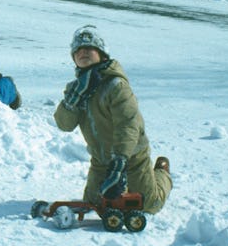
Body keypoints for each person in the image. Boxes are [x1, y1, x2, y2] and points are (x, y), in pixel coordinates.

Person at [54, 25, 172, 214]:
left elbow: (128, 125)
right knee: (95, 205)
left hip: (131, 158)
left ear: (101, 53)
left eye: (89, 48)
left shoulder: (116, 85)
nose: (83, 52)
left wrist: (119, 163)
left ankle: (162, 172)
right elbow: (64, 124)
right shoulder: (76, 90)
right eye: (78, 50)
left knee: (149, 205)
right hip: (102, 161)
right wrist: (73, 100)